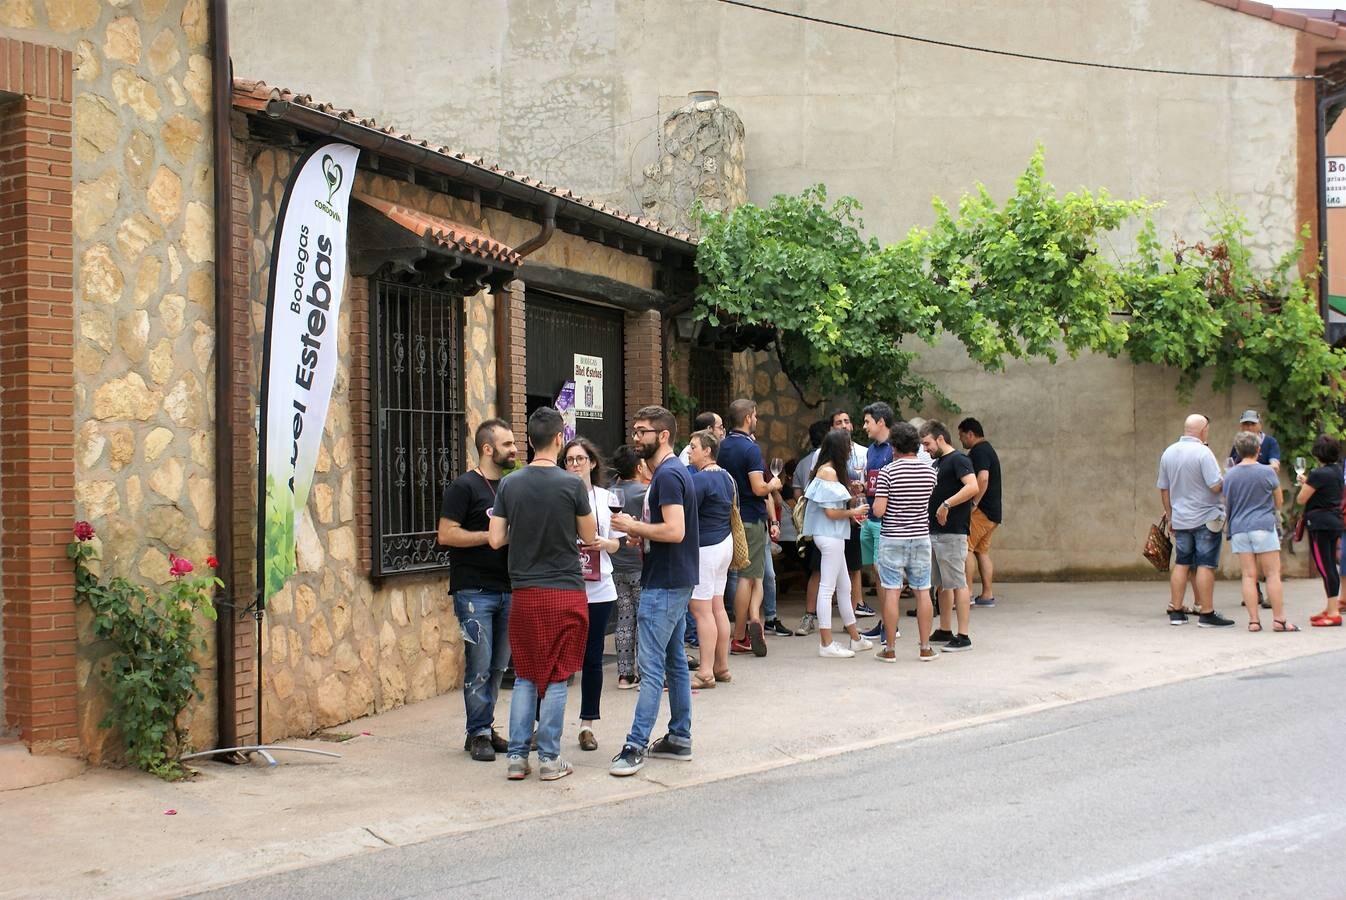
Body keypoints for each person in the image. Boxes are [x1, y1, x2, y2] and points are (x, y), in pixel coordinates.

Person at [487, 407, 596, 782]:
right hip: (565, 589)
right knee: (559, 675)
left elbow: (496, 538)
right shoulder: (571, 485)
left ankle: (517, 758)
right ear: (559, 438)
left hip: (524, 590)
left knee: (526, 675)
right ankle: (550, 759)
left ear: (529, 441)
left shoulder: (509, 484)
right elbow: (588, 534)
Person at [610, 406, 700, 776]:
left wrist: (634, 525)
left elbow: (675, 530)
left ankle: (635, 745)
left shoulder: (667, 476)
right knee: (675, 661)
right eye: (634, 430)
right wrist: (641, 536)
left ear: (663, 435)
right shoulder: (671, 473)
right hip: (673, 577)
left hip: (664, 584)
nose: (636, 437)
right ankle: (679, 738)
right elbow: (667, 531)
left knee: (650, 669)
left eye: (643, 431)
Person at [437, 418, 516, 762]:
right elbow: (446, 534)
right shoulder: (464, 487)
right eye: (508, 444)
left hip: (508, 589)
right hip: (474, 592)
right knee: (479, 665)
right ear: (488, 449)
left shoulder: (511, 488)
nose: (515, 449)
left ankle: (485, 726)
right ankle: (478, 732)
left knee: (499, 666)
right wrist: (490, 537)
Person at [562, 437, 624, 752]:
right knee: (558, 657)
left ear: (592, 463)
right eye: (569, 460)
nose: (574, 465)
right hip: (566, 586)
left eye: (580, 459)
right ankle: (542, 724)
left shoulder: (606, 498)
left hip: (600, 588)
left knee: (592, 657)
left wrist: (603, 543)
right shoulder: (556, 496)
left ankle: (587, 725)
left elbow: (619, 543)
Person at [719, 399, 783, 657]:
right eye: (755, 415)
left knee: (751, 575)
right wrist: (774, 484)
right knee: (748, 576)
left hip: (727, 516)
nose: (757, 419)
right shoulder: (751, 449)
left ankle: (755, 619)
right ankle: (740, 635)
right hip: (751, 517)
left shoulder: (721, 446)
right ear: (747, 417)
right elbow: (758, 487)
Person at [803, 429, 874, 658]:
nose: (850, 450)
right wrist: (854, 510)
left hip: (832, 536)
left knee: (844, 587)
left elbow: (832, 505)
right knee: (828, 589)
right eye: (848, 447)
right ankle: (826, 644)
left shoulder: (827, 470)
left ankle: (855, 638)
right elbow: (832, 513)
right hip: (830, 535)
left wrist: (850, 498)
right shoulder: (829, 472)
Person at [1156, 414, 1233, 627]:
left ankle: (1177, 611)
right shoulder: (1203, 453)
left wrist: (1171, 515)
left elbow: (1164, 488)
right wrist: (1229, 477)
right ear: (1203, 429)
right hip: (1206, 517)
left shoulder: (1168, 452)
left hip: (1181, 519)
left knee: (1182, 562)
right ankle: (1206, 612)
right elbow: (1215, 486)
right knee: (1205, 565)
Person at [872, 422, 939, 661]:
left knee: (892, 592)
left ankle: (889, 649)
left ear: (895, 446)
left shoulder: (887, 472)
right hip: (921, 537)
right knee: (923, 592)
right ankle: (925, 647)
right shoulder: (930, 471)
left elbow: (879, 511)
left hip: (893, 538)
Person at [1224, 431, 1296, 632]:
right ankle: (1279, 619)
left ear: (1237, 451)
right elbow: (1279, 501)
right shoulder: (1267, 472)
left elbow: (1227, 502)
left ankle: (1254, 621)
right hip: (1263, 525)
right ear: (1258, 449)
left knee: (1248, 575)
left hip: (1239, 528)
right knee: (1272, 574)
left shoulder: (1230, 475)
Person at [920, 420, 980, 652]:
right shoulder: (938, 463)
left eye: (927, 443)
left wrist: (946, 504)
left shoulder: (959, 460)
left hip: (952, 531)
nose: (925, 449)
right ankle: (945, 628)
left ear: (940, 438)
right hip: (935, 531)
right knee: (942, 585)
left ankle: (963, 635)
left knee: (957, 583)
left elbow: (972, 486)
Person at [686, 429, 735, 687]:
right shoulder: (727, 477)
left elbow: (684, 513)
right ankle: (722, 667)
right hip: (724, 544)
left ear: (708, 450)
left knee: (700, 610)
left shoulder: (700, 480)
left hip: (705, 548)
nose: (689, 451)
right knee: (717, 607)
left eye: (693, 447)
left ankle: (705, 672)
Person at [1227, 410, 1280, 609]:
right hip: (1249, 504)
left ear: (1260, 424)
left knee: (1268, 557)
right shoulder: (1238, 444)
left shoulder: (1270, 442)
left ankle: (1267, 595)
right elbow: (1231, 465)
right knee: (1251, 560)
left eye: (1252, 424)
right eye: (1245, 424)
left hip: (1263, 501)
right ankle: (1256, 592)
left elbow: (1275, 464)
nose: (1248, 427)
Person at [608, 445, 648, 690]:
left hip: (615, 563)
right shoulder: (644, 492)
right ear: (638, 467)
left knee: (624, 618)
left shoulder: (608, 493)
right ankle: (645, 671)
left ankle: (624, 675)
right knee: (644, 618)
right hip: (639, 564)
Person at [1297, 435, 1344, 627]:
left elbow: (1301, 499)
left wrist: (1305, 484)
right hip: (1335, 522)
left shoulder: (1317, 474)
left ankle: (1333, 612)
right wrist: (1309, 482)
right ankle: (1331, 605)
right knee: (1331, 566)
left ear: (1318, 454)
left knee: (1325, 568)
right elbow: (1326, 491)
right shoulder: (1337, 471)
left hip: (1319, 524)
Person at [857, 403, 895, 636]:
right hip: (870, 516)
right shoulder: (871, 450)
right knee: (877, 573)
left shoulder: (895, 449)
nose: (864, 426)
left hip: (886, 520)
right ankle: (885, 622)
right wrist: (862, 486)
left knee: (885, 573)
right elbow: (874, 483)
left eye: (867, 421)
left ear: (881, 422)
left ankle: (891, 626)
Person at [958, 417, 1002, 608]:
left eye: (961, 436)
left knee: (966, 547)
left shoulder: (979, 451)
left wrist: (974, 503)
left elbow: (982, 478)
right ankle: (987, 595)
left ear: (970, 434)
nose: (961, 440)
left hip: (982, 511)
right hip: (993, 512)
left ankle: (966, 594)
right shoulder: (988, 449)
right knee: (981, 551)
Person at [793, 419, 830, 636]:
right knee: (824, 574)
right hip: (826, 526)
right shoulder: (824, 464)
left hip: (815, 524)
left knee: (820, 573)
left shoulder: (802, 463)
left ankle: (811, 616)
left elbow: (799, 497)